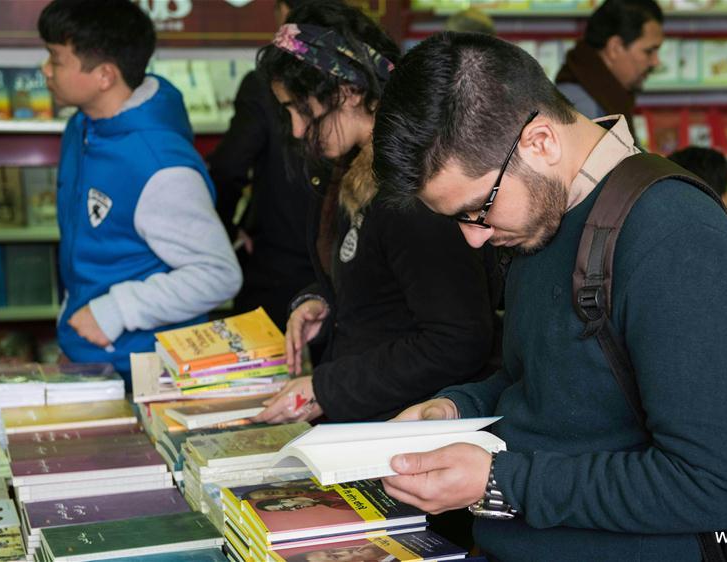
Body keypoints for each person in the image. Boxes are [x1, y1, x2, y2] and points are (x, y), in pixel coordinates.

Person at [372, 32, 727, 561]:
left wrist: (500, 481)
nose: (473, 236)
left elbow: (715, 485)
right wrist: (455, 408)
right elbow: (544, 383)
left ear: (540, 142)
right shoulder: (545, 214)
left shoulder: (676, 236)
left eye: (478, 208)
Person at [251, 0, 500, 426]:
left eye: (300, 109)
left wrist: (327, 387)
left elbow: (457, 338)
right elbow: (379, 278)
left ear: (347, 92)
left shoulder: (411, 192)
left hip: (410, 430)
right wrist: (321, 298)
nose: (295, 129)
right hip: (372, 421)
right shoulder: (351, 171)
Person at [38, 0, 241, 385]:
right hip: (91, 357)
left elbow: (219, 274)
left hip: (148, 372)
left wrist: (114, 311)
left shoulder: (160, 165)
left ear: (104, 75)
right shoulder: (82, 128)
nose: (45, 70)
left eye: (56, 59)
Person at [207, 0, 333, 328]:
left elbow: (228, 167)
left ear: (283, 11)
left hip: (276, 267)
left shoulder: (263, 83)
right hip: (338, 278)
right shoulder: (351, 81)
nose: (299, 129)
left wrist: (227, 232)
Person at [554, 0, 663, 128]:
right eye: (649, 51)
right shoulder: (581, 108)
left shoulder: (606, 96)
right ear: (615, 48)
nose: (656, 62)